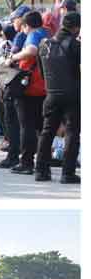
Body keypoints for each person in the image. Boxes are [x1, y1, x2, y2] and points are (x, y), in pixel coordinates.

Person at [34, 11, 81, 184]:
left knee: (47, 132)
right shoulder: (76, 45)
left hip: (51, 93)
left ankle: (41, 171)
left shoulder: (44, 44)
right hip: (72, 94)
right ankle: (67, 173)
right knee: (72, 133)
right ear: (76, 28)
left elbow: (41, 71)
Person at [6, 10, 48, 175]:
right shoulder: (47, 33)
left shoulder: (33, 34)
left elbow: (31, 51)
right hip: (44, 86)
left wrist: (13, 58)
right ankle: (42, 164)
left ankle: (26, 163)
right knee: (41, 127)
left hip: (29, 87)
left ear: (26, 25)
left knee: (26, 127)